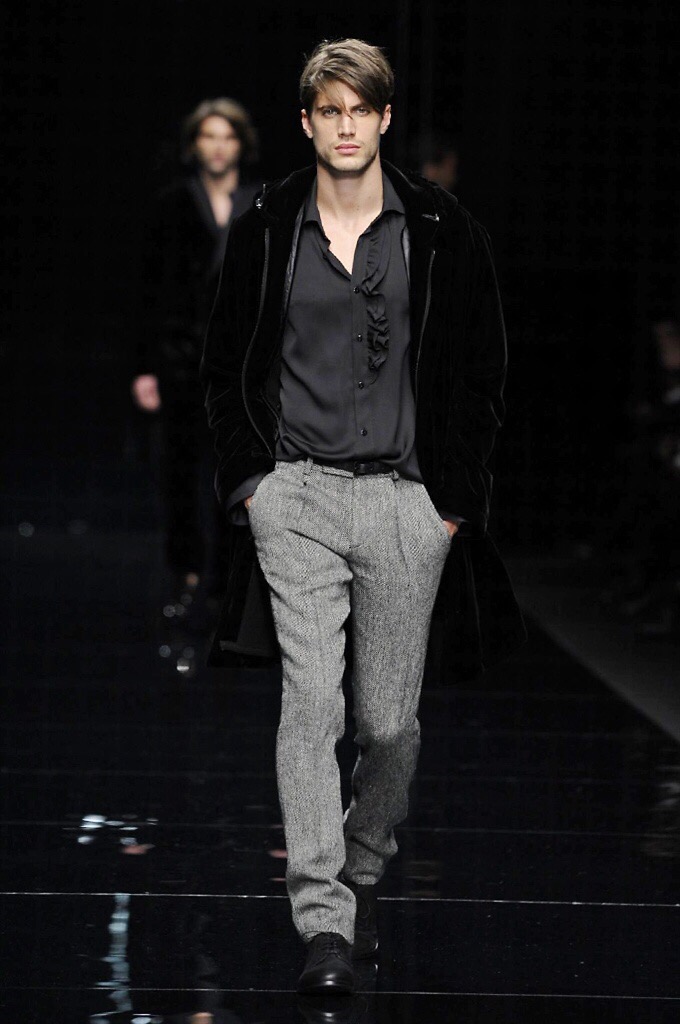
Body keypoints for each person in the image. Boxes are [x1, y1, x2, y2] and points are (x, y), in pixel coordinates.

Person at [201, 39, 525, 994]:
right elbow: (225, 363)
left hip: (403, 501)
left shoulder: (443, 229)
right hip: (296, 495)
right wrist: (254, 486)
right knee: (311, 709)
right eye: (329, 111)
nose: (346, 127)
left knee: (388, 726)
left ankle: (364, 864)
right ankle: (324, 925)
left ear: (385, 119)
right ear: (307, 123)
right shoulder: (268, 226)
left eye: (361, 110)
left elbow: (483, 371)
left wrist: (450, 507)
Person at [132, 98, 260, 611]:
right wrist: (145, 368)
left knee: (238, 480)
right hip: (182, 360)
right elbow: (147, 291)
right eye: (208, 136)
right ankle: (185, 574)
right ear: (193, 145)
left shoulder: (262, 204)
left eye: (227, 136)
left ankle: (228, 584)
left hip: (242, 366)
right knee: (181, 474)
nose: (218, 146)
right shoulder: (172, 204)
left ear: (241, 145)